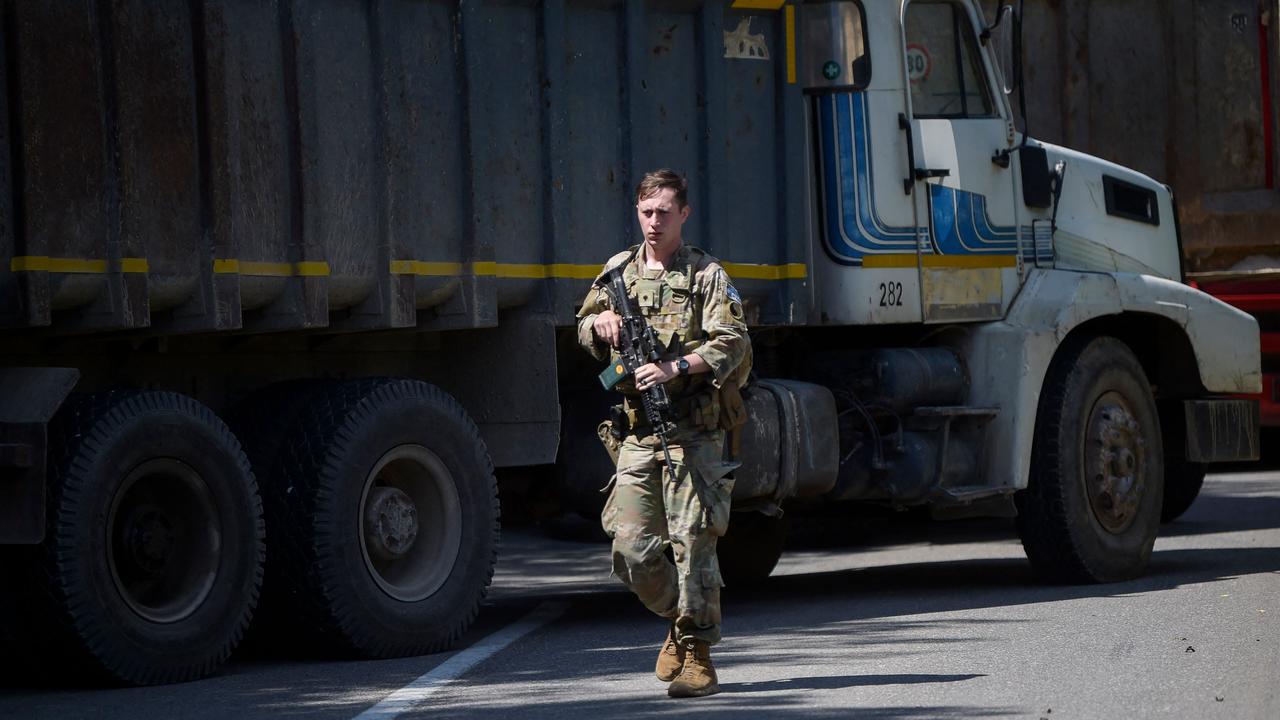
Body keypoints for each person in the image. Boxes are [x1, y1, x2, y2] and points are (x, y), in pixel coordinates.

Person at [575, 169, 751, 698]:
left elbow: (734, 342)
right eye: (647, 212)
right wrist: (600, 324)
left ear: (684, 214)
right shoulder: (616, 273)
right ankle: (681, 621)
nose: (655, 222)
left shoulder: (706, 275)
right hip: (638, 434)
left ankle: (697, 654)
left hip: (694, 432)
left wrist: (677, 367)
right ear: (638, 213)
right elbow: (583, 328)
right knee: (630, 550)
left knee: (693, 546)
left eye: (665, 212)